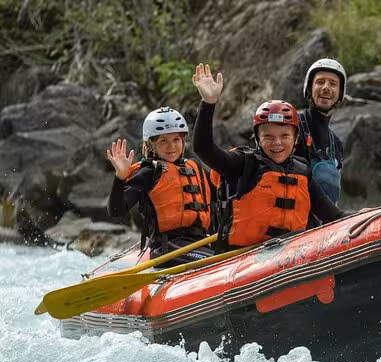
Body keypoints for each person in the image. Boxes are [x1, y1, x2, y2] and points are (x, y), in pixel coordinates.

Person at [191, 64, 348, 251]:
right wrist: (208, 103)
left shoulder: (303, 172)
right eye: (268, 137)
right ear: (257, 138)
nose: (277, 143)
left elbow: (334, 215)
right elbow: (203, 148)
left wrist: (370, 217)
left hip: (288, 255)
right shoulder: (244, 164)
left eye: (284, 136)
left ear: (296, 139)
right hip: (242, 260)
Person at [106, 107, 216, 266]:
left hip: (201, 244)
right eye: (163, 140)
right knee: (214, 260)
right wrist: (120, 177)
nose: (171, 146)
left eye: (176, 140)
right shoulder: (149, 173)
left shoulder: (195, 168)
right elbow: (116, 211)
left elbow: (223, 197)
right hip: (168, 249)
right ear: (151, 145)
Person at [295, 58, 346, 205]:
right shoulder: (292, 127)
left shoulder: (336, 143)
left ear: (340, 92)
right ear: (309, 88)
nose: (326, 88)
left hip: (326, 224)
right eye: (320, 82)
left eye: (333, 84)